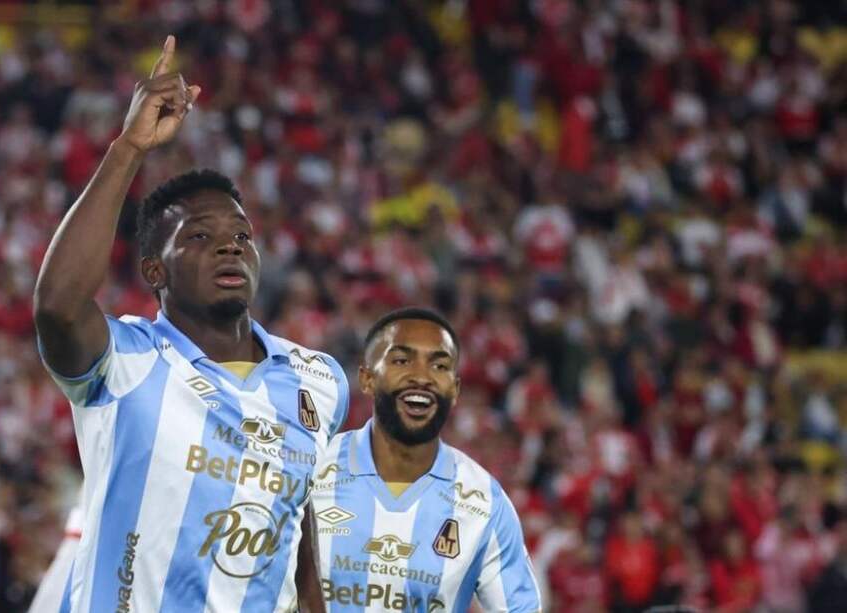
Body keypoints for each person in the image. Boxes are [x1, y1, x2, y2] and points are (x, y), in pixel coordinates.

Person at [33, 35, 347, 612]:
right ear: (155, 269)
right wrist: (130, 147)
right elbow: (56, 306)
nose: (230, 248)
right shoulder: (126, 362)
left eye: (241, 237)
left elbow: (300, 519)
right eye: (200, 237)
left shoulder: (320, 381)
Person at [311, 307, 542, 612]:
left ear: (456, 390)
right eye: (401, 360)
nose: (421, 377)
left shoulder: (484, 500)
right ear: (366, 378)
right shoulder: (312, 470)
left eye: (439, 365)